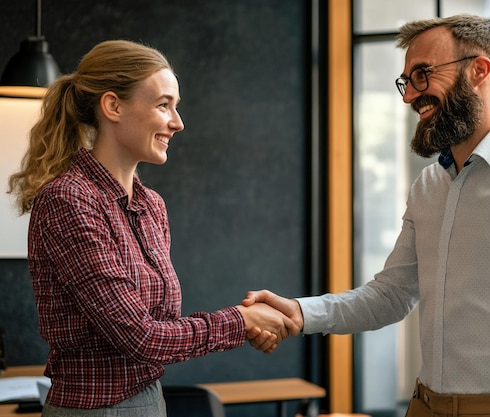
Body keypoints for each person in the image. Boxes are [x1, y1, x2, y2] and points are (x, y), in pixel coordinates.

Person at [243, 14, 490, 417]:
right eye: (407, 81)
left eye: (423, 75)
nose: (408, 96)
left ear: (479, 71)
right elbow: (393, 294)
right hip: (423, 407)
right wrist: (299, 312)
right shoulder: (428, 185)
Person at [8, 40, 298, 416]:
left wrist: (247, 324)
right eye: (164, 105)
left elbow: (163, 330)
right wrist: (240, 321)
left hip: (149, 399)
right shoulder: (69, 200)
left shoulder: (151, 206)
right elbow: (139, 336)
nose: (178, 122)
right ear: (113, 106)